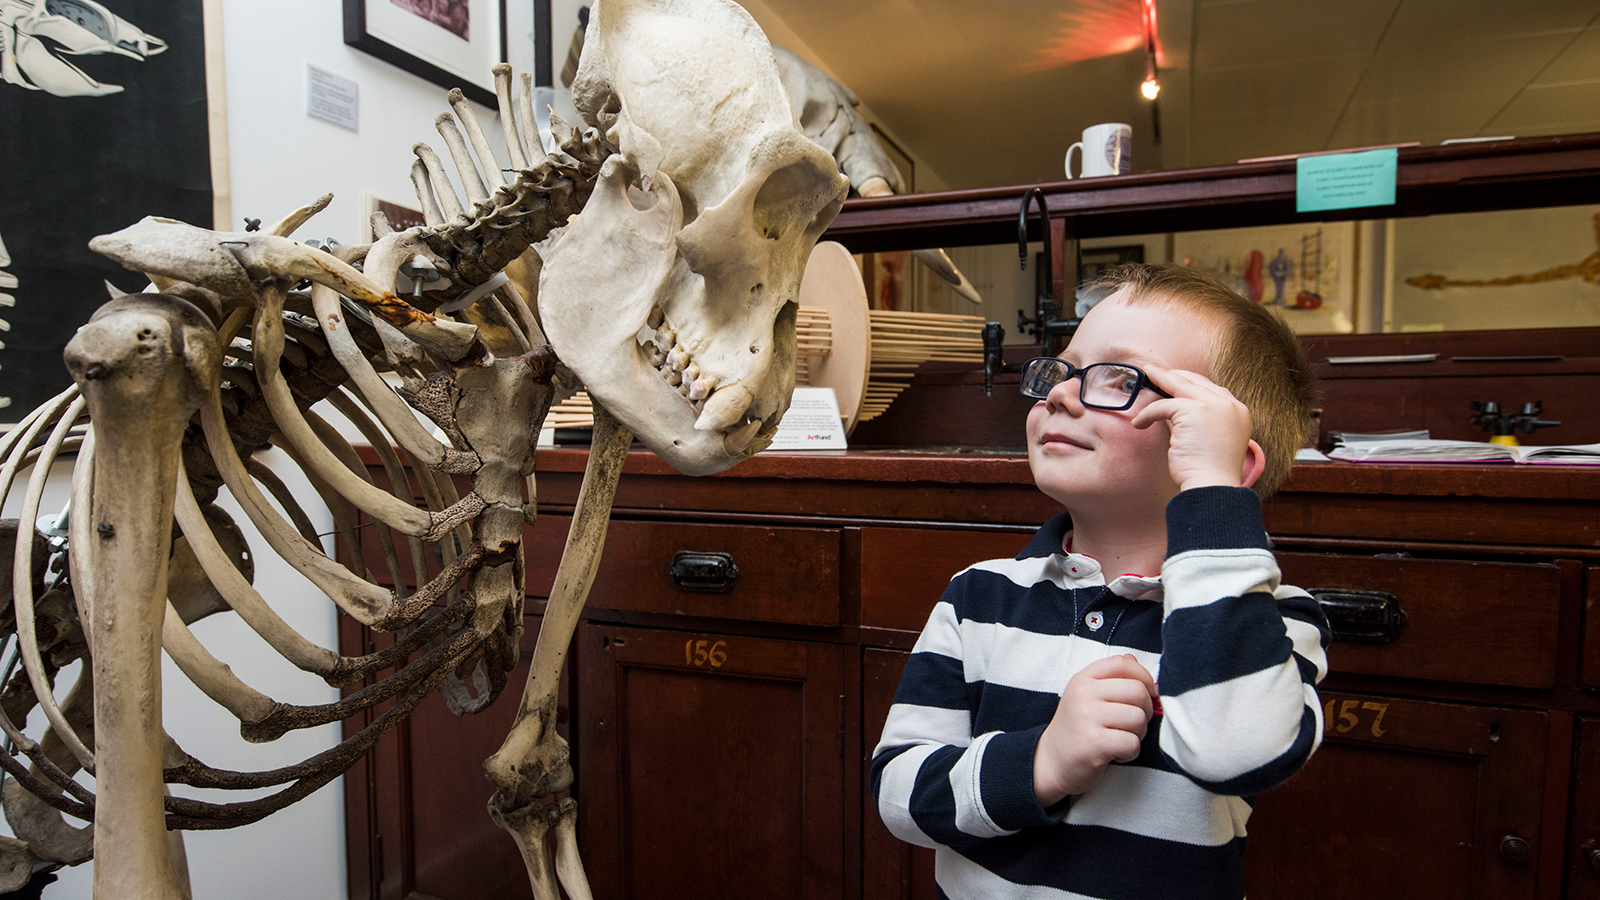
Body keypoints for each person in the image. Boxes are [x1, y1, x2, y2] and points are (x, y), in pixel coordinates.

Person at [871, 262, 1331, 899]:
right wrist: (1041, 763)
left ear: (1221, 457)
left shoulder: (1270, 620)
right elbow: (899, 794)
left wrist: (1213, 498)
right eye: (1063, 368)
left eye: (1121, 378)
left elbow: (1235, 751)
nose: (1059, 393)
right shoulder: (979, 596)